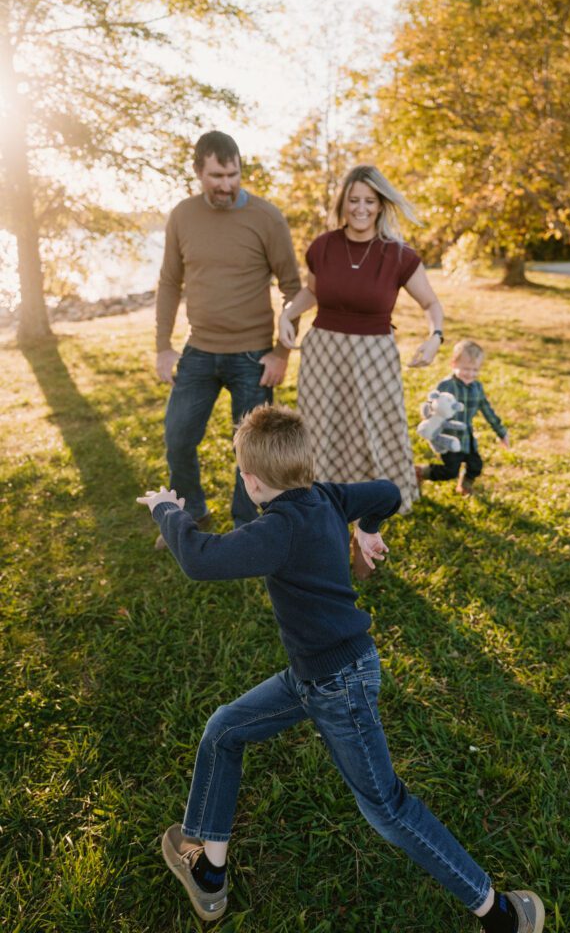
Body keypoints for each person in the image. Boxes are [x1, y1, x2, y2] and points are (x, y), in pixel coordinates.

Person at [136, 405, 545, 932]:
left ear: (251, 481)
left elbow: (201, 559)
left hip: (339, 686)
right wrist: (367, 531)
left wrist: (167, 509)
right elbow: (387, 493)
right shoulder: (326, 495)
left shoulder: (277, 529)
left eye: (242, 473)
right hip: (314, 677)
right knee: (224, 730)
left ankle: (502, 916)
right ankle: (209, 877)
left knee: (388, 808)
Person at [278, 164, 444, 536]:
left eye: (369, 201)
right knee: (321, 429)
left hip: (375, 358)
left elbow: (432, 304)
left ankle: (372, 515)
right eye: (353, 200)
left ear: (381, 205)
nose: (361, 208)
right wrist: (287, 314)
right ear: (343, 203)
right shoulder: (323, 246)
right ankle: (322, 506)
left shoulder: (398, 255)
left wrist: (435, 337)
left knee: (375, 428)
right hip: (323, 355)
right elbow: (313, 292)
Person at [154, 130, 301, 540]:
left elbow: (294, 290)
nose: (226, 184)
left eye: (233, 174)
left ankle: (247, 527)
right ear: (198, 171)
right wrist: (163, 347)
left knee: (252, 452)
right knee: (178, 436)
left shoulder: (267, 218)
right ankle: (192, 512)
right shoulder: (182, 216)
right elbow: (169, 282)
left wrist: (281, 353)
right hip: (199, 349)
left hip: (253, 355)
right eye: (216, 175)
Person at [415, 339, 510, 495]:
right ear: (454, 364)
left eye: (475, 370)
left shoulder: (477, 387)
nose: (470, 374)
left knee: (476, 465)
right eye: (466, 369)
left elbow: (487, 410)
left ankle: (464, 486)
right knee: (449, 471)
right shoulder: (446, 386)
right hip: (449, 438)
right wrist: (428, 421)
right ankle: (420, 472)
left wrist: (501, 432)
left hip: (467, 437)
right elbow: (432, 405)